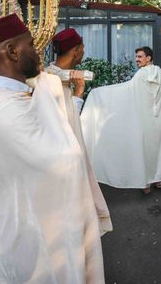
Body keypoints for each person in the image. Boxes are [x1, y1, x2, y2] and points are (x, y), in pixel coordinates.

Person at [0, 14, 104, 283]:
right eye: (30, 45)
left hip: (24, 227)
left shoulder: (10, 98)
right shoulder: (5, 112)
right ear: (12, 51)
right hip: (24, 245)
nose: (38, 53)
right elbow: (67, 162)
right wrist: (49, 88)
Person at [81, 46, 161, 195]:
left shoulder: (141, 75)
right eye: (136, 57)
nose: (137, 60)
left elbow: (127, 92)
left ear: (148, 58)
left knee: (144, 150)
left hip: (143, 121)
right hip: (159, 122)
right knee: (159, 149)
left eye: (140, 57)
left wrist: (99, 93)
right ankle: (158, 179)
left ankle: (146, 184)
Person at [46, 28, 112, 234]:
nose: (83, 52)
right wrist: (79, 93)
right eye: (82, 48)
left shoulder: (55, 75)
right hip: (61, 157)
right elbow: (62, 123)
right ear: (75, 51)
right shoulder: (50, 81)